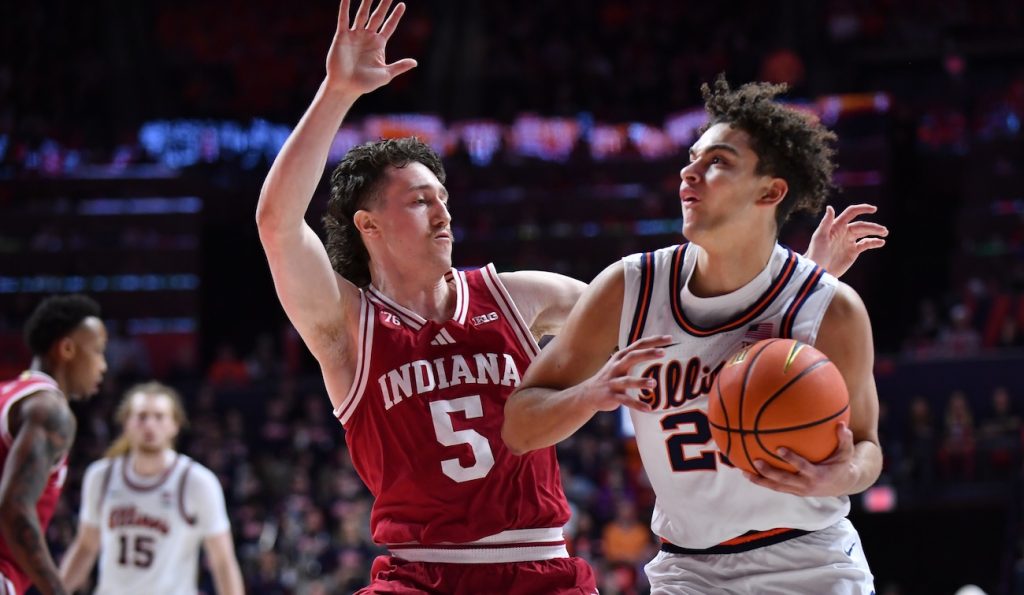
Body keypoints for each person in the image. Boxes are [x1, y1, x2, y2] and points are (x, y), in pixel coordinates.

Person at [256, 1, 884, 591]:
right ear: (368, 226)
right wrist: (338, 93)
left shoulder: (517, 296)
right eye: (421, 201)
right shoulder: (350, 326)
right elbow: (278, 224)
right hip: (420, 573)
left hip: (539, 566)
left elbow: (674, 317)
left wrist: (803, 283)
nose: (443, 212)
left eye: (444, 197)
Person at [504, 77, 884, 594]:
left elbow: (867, 450)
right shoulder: (628, 288)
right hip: (689, 570)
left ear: (771, 191)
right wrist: (589, 395)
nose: (689, 172)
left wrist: (839, 476)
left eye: (718, 162)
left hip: (811, 560)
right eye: (691, 158)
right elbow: (519, 427)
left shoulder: (831, 308)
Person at [59, 382, 243, 595]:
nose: (149, 425)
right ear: (126, 423)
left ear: (175, 425)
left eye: (159, 416)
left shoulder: (197, 482)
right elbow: (86, 547)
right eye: (142, 416)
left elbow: (222, 561)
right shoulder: (101, 476)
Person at [0, 294, 108, 595]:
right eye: (98, 352)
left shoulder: (7, 393)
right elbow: (15, 509)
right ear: (67, 349)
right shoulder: (50, 410)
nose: (103, 366)